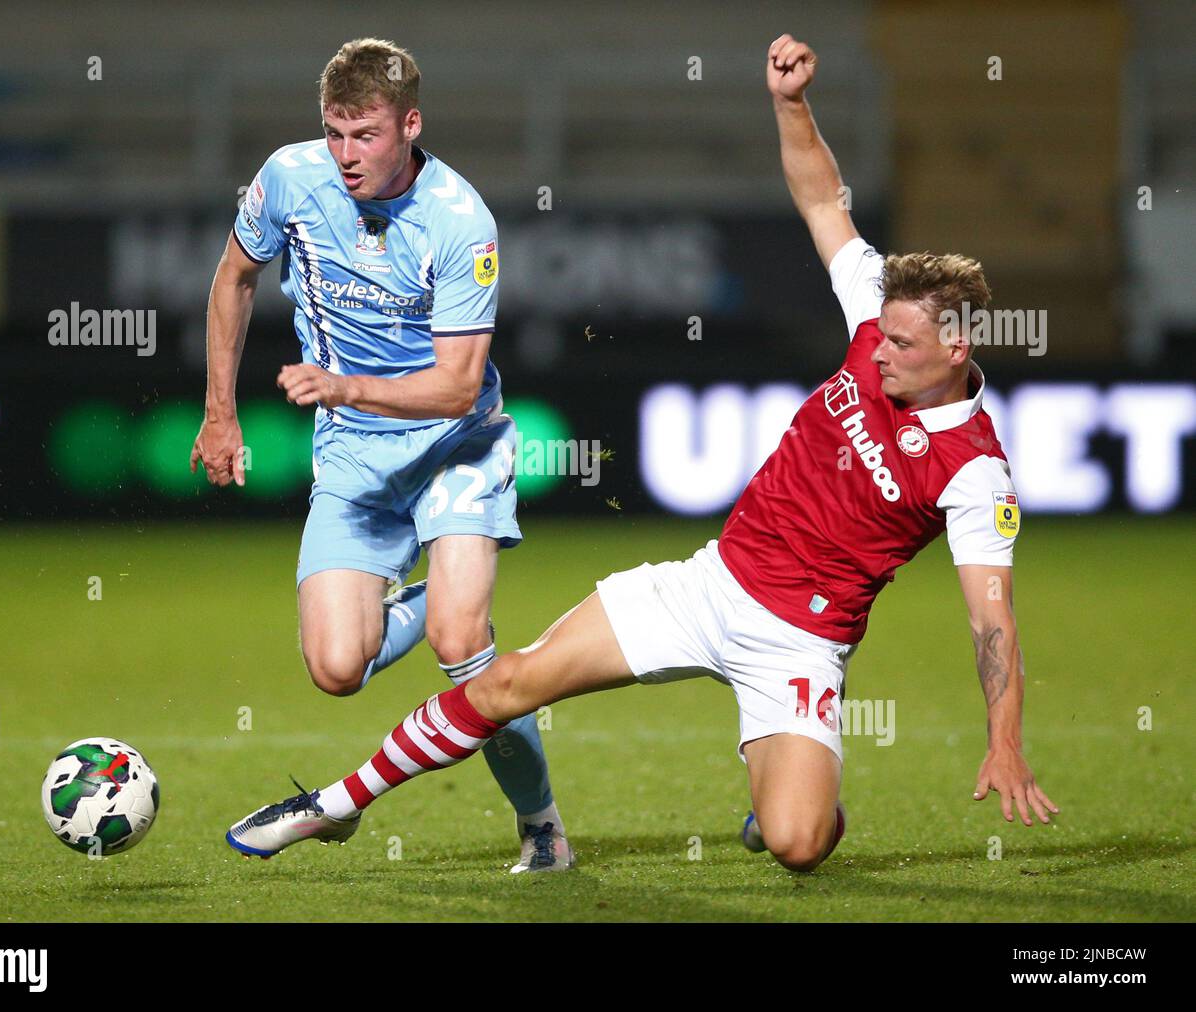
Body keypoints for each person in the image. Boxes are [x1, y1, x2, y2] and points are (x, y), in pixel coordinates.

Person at [227, 33, 1059, 874]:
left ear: (955, 351)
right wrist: (790, 104)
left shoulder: (976, 472)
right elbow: (821, 203)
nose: (878, 352)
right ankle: (333, 805)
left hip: (799, 646)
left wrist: (1006, 743)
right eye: (883, 335)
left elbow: (993, 623)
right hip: (707, 585)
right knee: (504, 680)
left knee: (798, 844)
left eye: (902, 346)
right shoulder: (876, 321)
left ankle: (790, 799)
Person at [198, 38, 571, 872]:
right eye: (333, 133)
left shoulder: (459, 219)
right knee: (336, 668)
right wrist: (220, 415)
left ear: (409, 124)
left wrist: (343, 385)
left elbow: (455, 384)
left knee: (461, 646)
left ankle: (542, 825)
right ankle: (441, 592)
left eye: (364, 135)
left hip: (454, 446)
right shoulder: (290, 179)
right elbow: (232, 278)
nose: (345, 155)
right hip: (354, 455)